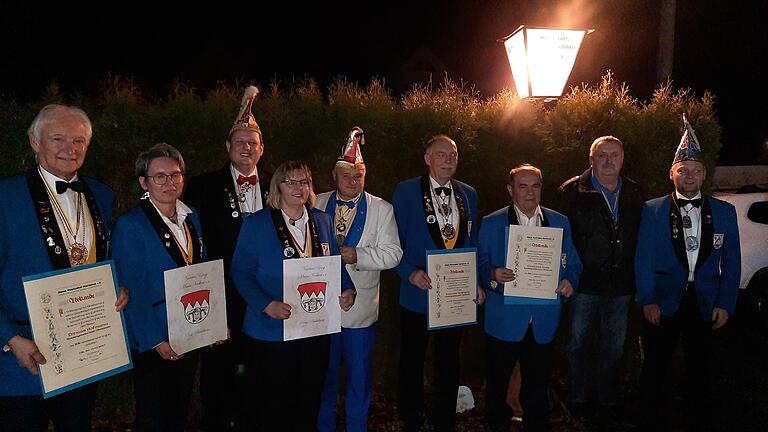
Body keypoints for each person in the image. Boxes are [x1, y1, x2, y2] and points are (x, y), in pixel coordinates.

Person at [0, 104, 128, 432]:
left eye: (79, 141)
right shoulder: (6, 196)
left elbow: (106, 257)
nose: (69, 150)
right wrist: (10, 337)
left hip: (85, 352)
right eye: (58, 139)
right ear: (34, 141)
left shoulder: (102, 194)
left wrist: (118, 285)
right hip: (23, 354)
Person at [231, 160, 356, 432]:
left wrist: (348, 289)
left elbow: (335, 264)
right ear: (278, 187)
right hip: (271, 331)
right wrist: (266, 304)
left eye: (305, 182)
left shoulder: (321, 221)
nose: (299, 188)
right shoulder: (257, 224)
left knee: (309, 399)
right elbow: (240, 272)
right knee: (274, 404)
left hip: (314, 329)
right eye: (292, 182)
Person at [635, 115, 740, 430]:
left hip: (705, 299)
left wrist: (726, 303)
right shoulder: (652, 210)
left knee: (701, 364)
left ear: (704, 175)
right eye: (684, 170)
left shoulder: (724, 212)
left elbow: (732, 262)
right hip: (664, 299)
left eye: (696, 171)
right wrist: (647, 299)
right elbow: (643, 258)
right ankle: (649, 417)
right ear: (672, 174)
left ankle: (697, 416)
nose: (690, 176)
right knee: (656, 363)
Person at [184, 85, 270, 431]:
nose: (246, 147)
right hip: (219, 294)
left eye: (253, 143)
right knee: (219, 369)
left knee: (257, 367)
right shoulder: (203, 186)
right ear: (228, 147)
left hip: (263, 294)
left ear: (261, 149)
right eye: (240, 142)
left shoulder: (275, 185)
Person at [479, 164, 582, 432]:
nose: (529, 193)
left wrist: (570, 280)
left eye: (535, 186)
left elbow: (573, 262)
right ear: (510, 190)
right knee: (497, 385)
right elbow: (479, 262)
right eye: (522, 186)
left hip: (543, 320)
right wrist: (492, 274)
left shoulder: (559, 221)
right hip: (504, 318)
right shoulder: (492, 222)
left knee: (537, 386)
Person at [113, 143, 208, 432]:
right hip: (155, 336)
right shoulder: (131, 225)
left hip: (191, 326)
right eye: (160, 176)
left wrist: (213, 323)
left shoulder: (193, 218)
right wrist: (156, 340)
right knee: (153, 417)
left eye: (175, 175)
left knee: (178, 411)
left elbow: (202, 275)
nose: (169, 182)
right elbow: (132, 289)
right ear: (144, 182)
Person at [392, 134, 484, 432]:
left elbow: (472, 242)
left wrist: (475, 282)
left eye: (453, 155)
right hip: (417, 289)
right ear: (427, 158)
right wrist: (408, 272)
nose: (448, 160)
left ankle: (444, 417)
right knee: (412, 358)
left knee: (448, 359)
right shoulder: (406, 191)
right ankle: (411, 416)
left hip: (454, 295)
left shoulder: (468, 193)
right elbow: (393, 242)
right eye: (441, 154)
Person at [315, 127, 403, 432]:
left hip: (360, 312)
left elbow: (394, 254)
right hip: (319, 309)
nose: (353, 182)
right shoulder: (315, 202)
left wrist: (359, 256)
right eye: (346, 176)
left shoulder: (382, 209)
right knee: (322, 381)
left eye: (358, 176)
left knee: (358, 381)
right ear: (334, 176)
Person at [556, 135, 645, 422]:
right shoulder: (571, 192)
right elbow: (557, 239)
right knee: (577, 343)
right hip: (584, 284)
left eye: (614, 155)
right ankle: (579, 398)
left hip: (621, 285)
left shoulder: (634, 192)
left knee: (614, 345)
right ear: (591, 159)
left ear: (622, 158)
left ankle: (608, 398)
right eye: (602, 155)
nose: (608, 161)